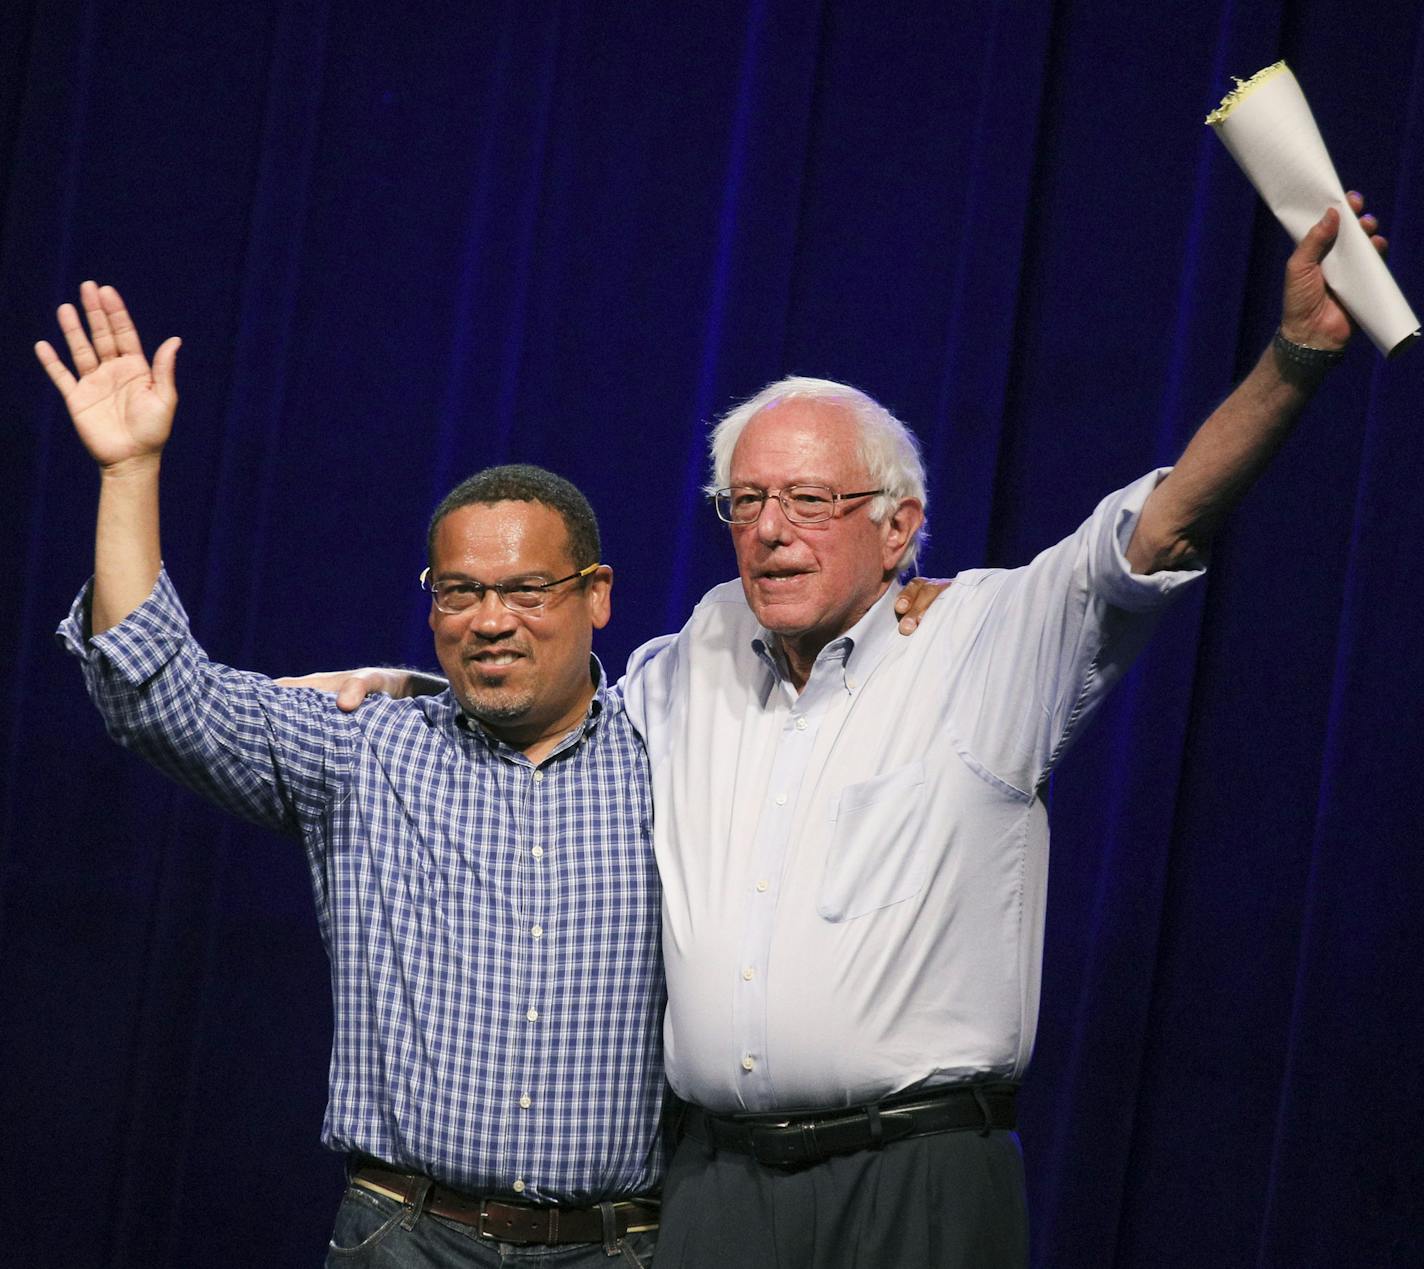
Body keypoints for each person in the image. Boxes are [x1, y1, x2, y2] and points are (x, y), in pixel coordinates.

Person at [611, 195, 1391, 1268]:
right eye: (742, 502)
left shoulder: (984, 640)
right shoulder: (694, 656)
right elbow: (564, 732)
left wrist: (1294, 354)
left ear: (898, 530)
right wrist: (399, 693)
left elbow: (1155, 527)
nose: (767, 530)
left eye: (806, 499)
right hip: (714, 1189)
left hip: (913, 1182)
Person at [41, 282, 667, 1266]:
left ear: (596, 597)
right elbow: (155, 692)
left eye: (525, 590)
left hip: (620, 1249)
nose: (490, 619)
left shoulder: (680, 760)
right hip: (405, 1238)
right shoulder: (365, 751)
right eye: (459, 592)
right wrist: (131, 471)